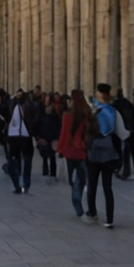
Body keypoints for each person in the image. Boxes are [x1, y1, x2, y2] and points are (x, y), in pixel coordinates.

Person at [85, 85, 123, 228]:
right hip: (109, 151)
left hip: (94, 151)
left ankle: (92, 213)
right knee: (108, 187)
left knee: (92, 184)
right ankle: (109, 219)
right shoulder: (113, 110)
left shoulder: (92, 110)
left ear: (98, 93)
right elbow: (119, 132)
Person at [57, 89, 91, 219]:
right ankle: (85, 205)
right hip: (82, 150)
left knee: (73, 180)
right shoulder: (87, 114)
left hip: (70, 151)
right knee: (82, 179)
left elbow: (64, 134)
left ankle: (78, 205)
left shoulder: (67, 115)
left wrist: (61, 149)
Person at [4, 92, 34, 194]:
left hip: (14, 136)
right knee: (27, 161)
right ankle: (25, 184)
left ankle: (17, 184)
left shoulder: (11, 106)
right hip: (25, 136)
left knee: (16, 161)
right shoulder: (28, 106)